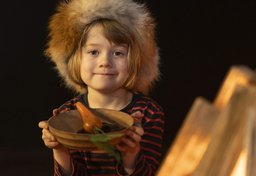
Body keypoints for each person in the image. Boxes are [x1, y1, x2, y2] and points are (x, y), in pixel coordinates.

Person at [38, 0, 164, 175]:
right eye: (94, 52)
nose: (105, 62)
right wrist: (60, 149)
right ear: (77, 60)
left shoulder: (148, 113)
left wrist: (130, 156)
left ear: (134, 63)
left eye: (118, 53)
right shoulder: (67, 115)